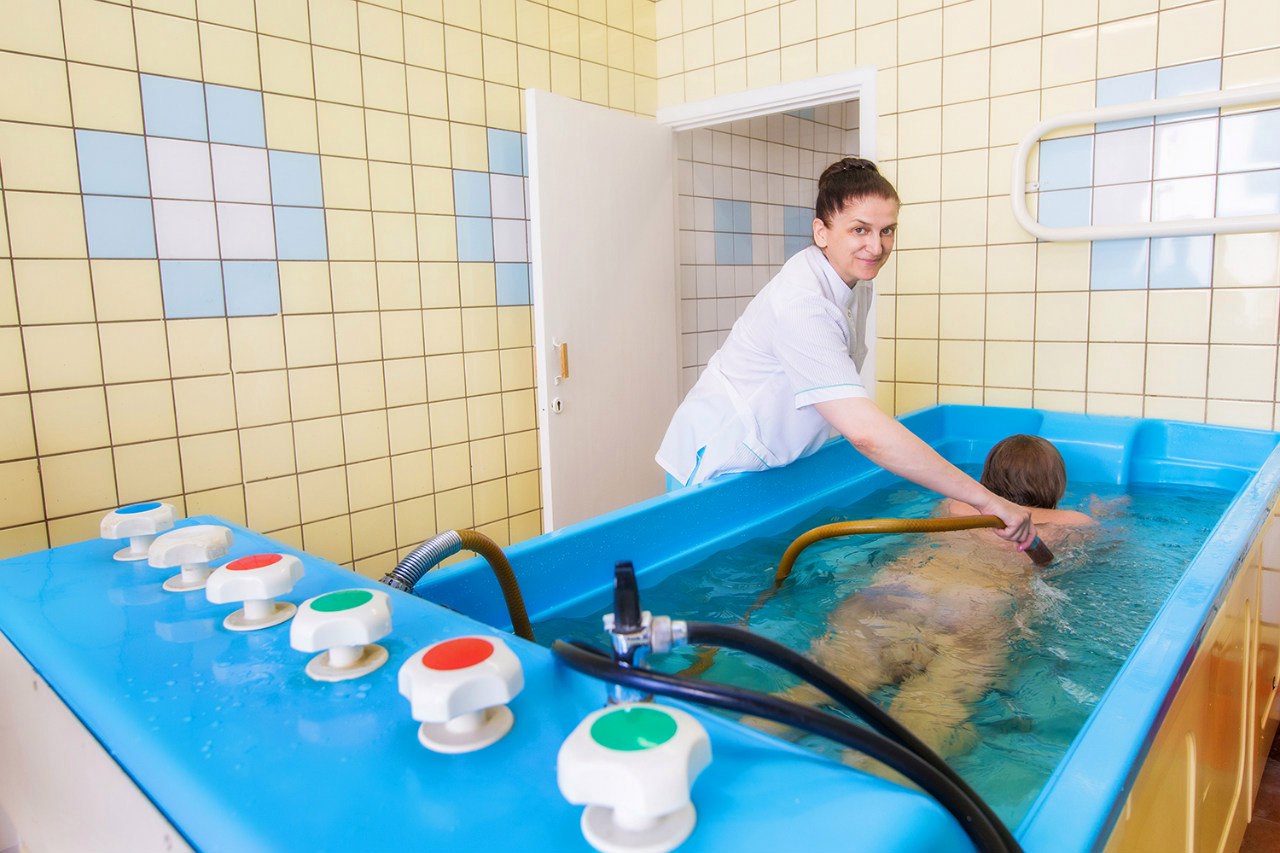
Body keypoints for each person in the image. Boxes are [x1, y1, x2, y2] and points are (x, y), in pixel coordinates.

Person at [656, 157, 1039, 550]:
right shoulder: (801, 304)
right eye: (860, 229)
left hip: (770, 459)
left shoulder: (856, 282)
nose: (877, 246)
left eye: (887, 230)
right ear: (821, 232)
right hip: (718, 458)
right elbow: (864, 433)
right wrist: (986, 500)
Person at [767, 434, 1092, 759]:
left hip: (892, 597)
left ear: (987, 478)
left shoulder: (953, 505)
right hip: (972, 614)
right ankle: (878, 775)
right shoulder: (1072, 523)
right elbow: (1068, 567)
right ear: (1057, 487)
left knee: (824, 686)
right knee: (930, 712)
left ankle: (751, 736)